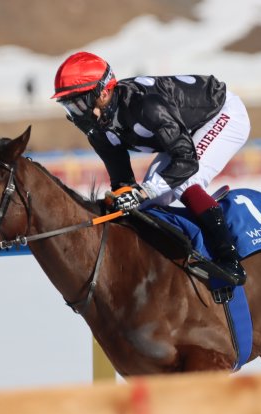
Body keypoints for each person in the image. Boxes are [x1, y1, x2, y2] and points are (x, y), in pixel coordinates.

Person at [51, 51, 250, 285]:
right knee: (145, 205)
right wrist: (125, 198)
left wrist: (144, 191)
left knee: (184, 181)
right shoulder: (97, 129)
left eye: (78, 103)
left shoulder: (146, 106)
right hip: (184, 129)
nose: (76, 115)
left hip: (222, 115)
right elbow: (123, 181)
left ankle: (230, 258)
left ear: (103, 93)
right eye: (69, 106)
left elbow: (186, 161)